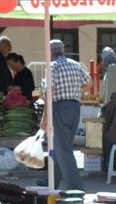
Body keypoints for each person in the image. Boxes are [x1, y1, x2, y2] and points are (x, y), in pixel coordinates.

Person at [41, 38, 89, 191]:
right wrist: (75, 93)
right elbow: (89, 84)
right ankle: (49, 181)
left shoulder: (52, 67)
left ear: (50, 53)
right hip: (74, 107)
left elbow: (50, 90)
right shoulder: (76, 65)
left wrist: (45, 117)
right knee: (62, 147)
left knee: (63, 150)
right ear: (63, 50)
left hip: (58, 107)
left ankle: (76, 187)